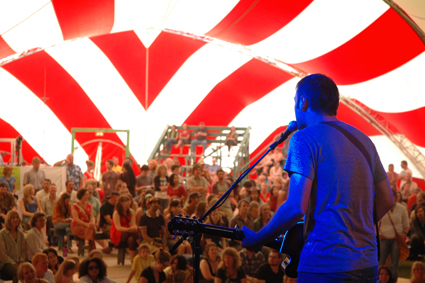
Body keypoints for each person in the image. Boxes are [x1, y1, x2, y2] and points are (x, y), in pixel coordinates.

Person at [242, 74, 393, 281]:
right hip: (367, 265)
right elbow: (386, 199)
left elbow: (296, 206)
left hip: (324, 264)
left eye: (295, 102)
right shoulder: (364, 140)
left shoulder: (304, 139)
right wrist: (357, 226)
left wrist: (259, 238)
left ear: (303, 101)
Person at [378, 189, 409, 281]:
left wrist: (404, 233)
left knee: (394, 263)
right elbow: (376, 222)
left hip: (397, 239)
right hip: (384, 238)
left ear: (396, 197)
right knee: (381, 261)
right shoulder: (382, 207)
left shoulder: (402, 208)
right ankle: (378, 280)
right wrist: (378, 234)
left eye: (393, 195)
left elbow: (406, 224)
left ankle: (393, 280)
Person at [110, 194, 138, 261]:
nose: (128, 203)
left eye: (129, 201)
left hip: (128, 231)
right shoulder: (116, 212)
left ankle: (132, 259)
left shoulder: (131, 211)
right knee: (132, 233)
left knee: (131, 239)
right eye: (126, 201)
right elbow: (118, 227)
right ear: (121, 203)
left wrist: (134, 227)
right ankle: (141, 244)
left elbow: (134, 224)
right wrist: (128, 229)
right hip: (118, 232)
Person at [0, 210, 25, 282]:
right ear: (8, 219)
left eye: (17, 217)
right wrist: (13, 263)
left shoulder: (21, 234)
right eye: (13, 218)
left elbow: (23, 251)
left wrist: (21, 261)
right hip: (6, 263)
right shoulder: (2, 234)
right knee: (18, 273)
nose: (15, 219)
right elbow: (2, 254)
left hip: (19, 262)